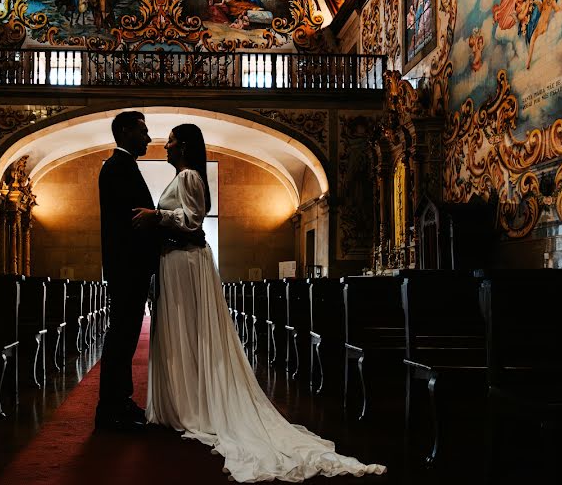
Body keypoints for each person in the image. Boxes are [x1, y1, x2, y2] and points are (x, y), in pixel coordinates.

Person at [133, 124, 387, 482]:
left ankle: (193, 404)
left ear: (185, 145)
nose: (167, 144)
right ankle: (183, 399)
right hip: (176, 263)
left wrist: (155, 216)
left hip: (186, 262)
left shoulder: (190, 176)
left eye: (172, 140)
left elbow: (191, 221)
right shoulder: (182, 176)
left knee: (190, 331)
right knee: (181, 334)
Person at [95, 111, 160, 431]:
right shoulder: (117, 167)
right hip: (127, 268)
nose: (148, 138)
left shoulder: (124, 166)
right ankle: (110, 410)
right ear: (124, 131)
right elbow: (131, 223)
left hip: (129, 267)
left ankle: (120, 401)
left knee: (125, 338)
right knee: (121, 338)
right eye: (142, 131)